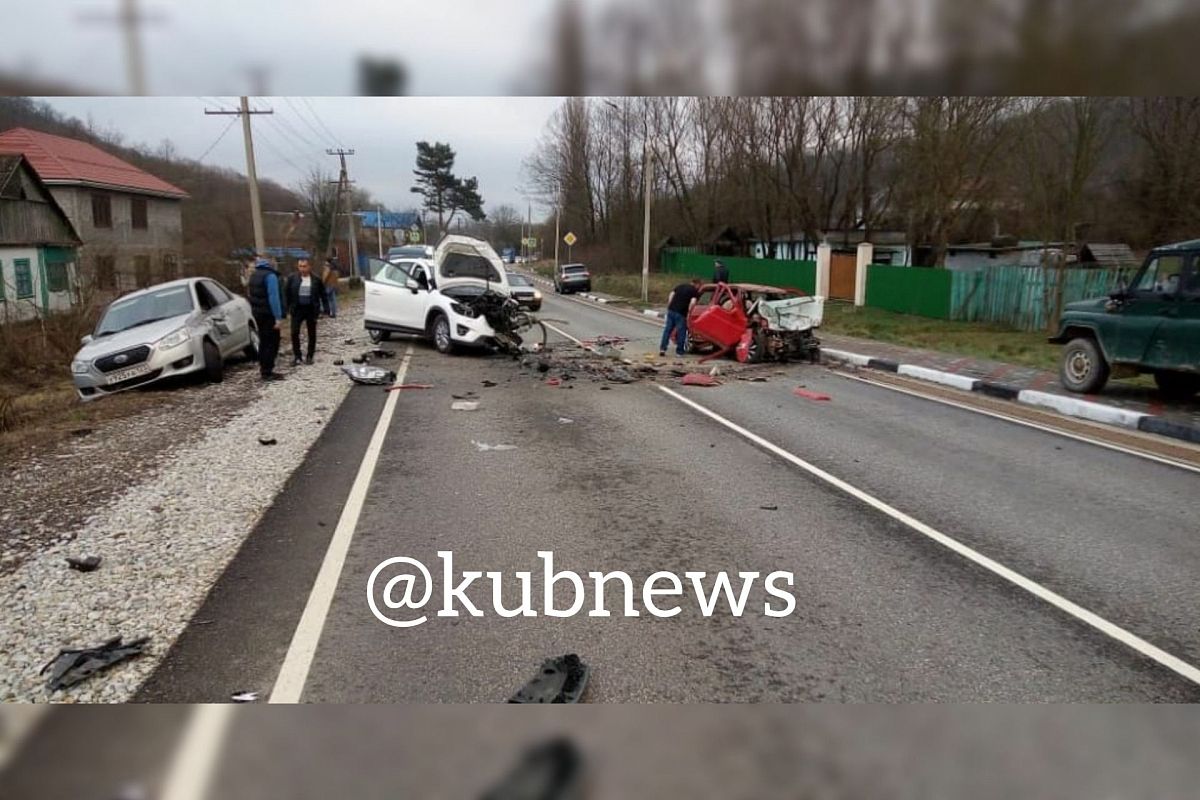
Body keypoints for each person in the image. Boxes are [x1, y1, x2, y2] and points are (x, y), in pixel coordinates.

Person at [247, 257, 285, 381]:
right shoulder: (270, 276)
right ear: (270, 265)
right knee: (272, 342)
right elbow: (273, 297)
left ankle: (264, 368)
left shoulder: (253, 276)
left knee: (263, 341)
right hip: (269, 314)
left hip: (258, 313)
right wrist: (278, 317)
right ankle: (268, 371)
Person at [285, 258, 328, 365]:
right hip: (297, 309)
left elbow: (323, 295)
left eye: (304, 266)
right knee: (294, 332)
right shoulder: (292, 278)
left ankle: (310, 356)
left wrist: (326, 309)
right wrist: (286, 309)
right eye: (300, 266)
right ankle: (297, 356)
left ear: (309, 267)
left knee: (311, 333)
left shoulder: (316, 279)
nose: (302, 269)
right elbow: (286, 294)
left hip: (311, 309)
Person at [660, 277, 702, 357]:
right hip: (681, 313)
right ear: (697, 284)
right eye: (699, 286)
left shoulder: (681, 286)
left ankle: (663, 349)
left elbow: (671, 294)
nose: (699, 288)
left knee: (667, 330)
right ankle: (679, 352)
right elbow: (692, 302)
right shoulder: (694, 291)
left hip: (671, 310)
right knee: (681, 332)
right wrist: (689, 312)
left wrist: (669, 304)